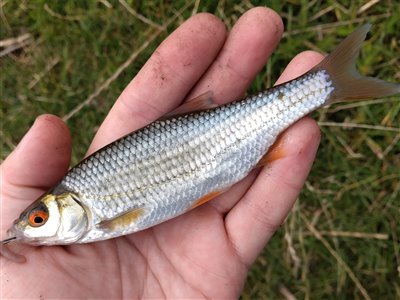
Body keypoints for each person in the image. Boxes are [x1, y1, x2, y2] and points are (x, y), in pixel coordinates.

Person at [1, 7, 323, 298]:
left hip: (210, 141)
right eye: (38, 219)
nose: (31, 227)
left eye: (39, 218)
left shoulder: (101, 219)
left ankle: (321, 85)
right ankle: (319, 86)